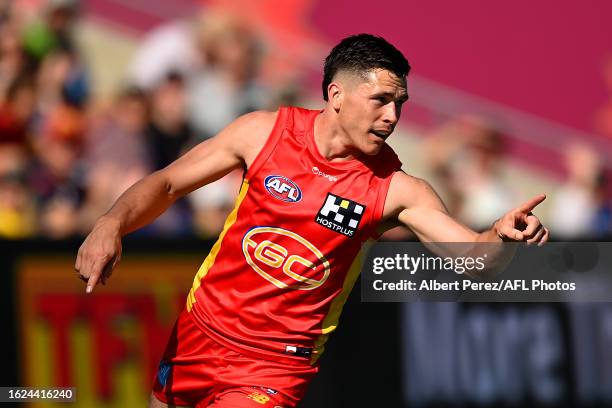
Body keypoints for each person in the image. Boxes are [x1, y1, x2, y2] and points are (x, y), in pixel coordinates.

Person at [75, 34, 549, 407]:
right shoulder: (263, 132)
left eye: (400, 103)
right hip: (198, 333)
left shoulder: (397, 189)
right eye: (381, 100)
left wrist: (500, 236)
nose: (393, 116)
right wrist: (111, 222)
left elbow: (476, 259)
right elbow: (168, 184)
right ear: (336, 94)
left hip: (273, 367)